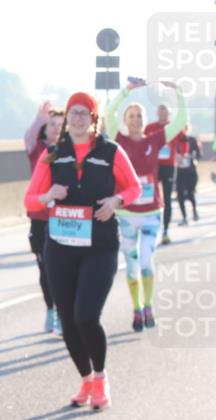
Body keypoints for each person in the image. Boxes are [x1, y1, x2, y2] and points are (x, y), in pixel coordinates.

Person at [24, 92, 141, 411]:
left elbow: (134, 188)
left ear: (93, 119)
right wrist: (49, 194)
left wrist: (117, 201)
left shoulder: (110, 151)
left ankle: (101, 378)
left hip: (99, 246)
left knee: (86, 316)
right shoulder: (52, 153)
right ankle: (86, 379)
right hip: (60, 248)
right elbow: (30, 200)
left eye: (83, 113)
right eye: (72, 113)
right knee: (68, 320)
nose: (76, 118)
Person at [104, 80, 186, 332]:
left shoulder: (155, 138)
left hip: (151, 213)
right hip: (127, 214)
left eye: (140, 115)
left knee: (146, 262)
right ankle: (137, 309)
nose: (137, 119)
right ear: (125, 120)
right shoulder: (119, 140)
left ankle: (148, 305)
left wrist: (178, 94)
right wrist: (126, 92)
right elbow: (108, 113)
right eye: (132, 115)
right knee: (130, 264)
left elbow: (180, 121)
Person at [24, 102, 65, 334]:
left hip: (65, 217)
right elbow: (28, 138)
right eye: (52, 124)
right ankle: (51, 309)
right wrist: (39, 117)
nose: (56, 129)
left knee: (60, 268)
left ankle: (62, 311)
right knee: (44, 269)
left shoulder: (71, 148)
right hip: (40, 217)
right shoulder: (39, 149)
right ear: (45, 128)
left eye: (61, 124)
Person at [145, 103, 183, 245]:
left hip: (168, 166)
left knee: (167, 199)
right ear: (157, 112)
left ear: (169, 113)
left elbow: (184, 140)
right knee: (151, 197)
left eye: (165, 111)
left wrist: (181, 154)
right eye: (160, 111)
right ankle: (150, 228)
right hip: (153, 166)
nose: (162, 113)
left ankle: (166, 231)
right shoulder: (150, 128)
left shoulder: (173, 127)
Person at [175, 125, 200, 225]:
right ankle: (184, 217)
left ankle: (194, 210)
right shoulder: (174, 141)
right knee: (180, 195)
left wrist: (194, 160)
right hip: (179, 172)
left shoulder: (192, 140)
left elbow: (198, 154)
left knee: (191, 193)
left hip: (190, 171)